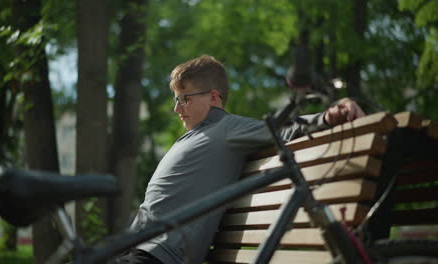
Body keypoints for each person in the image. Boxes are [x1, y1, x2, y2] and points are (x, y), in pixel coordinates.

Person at [115, 55, 365, 264]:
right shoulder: (197, 134)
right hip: (134, 249)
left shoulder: (227, 128)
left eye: (184, 99)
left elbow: (281, 129)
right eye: (176, 100)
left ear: (213, 97)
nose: (177, 109)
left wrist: (328, 116)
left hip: (157, 256)